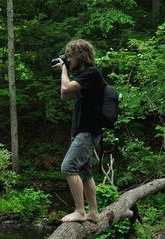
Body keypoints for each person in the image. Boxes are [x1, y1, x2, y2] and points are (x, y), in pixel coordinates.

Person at [53, 39, 106, 223]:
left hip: (87, 131)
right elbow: (64, 94)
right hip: (81, 131)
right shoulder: (84, 75)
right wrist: (65, 69)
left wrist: (64, 69)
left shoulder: (92, 72)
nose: (68, 58)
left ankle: (80, 211)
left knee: (68, 167)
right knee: (85, 172)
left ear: (81, 55)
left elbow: (66, 87)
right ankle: (93, 213)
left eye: (70, 55)